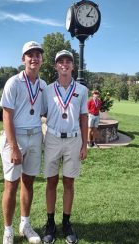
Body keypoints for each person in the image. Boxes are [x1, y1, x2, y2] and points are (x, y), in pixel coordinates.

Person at [0, 41, 47, 244]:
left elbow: (45, 112)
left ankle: (25, 224)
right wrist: (14, 147)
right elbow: (6, 116)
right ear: (23, 59)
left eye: (37, 54)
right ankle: (8, 230)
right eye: (30, 54)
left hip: (36, 135)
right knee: (11, 184)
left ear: (42, 59)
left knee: (28, 182)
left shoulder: (43, 85)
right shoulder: (13, 82)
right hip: (15, 136)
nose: (34, 57)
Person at [42, 50, 88, 244]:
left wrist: (85, 144)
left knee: (69, 183)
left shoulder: (82, 90)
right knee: (51, 182)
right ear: (55, 66)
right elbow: (39, 113)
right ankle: (50, 223)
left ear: (73, 66)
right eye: (60, 61)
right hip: (52, 138)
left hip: (73, 140)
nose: (64, 64)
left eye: (68, 61)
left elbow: (84, 118)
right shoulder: (47, 89)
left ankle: (66, 222)